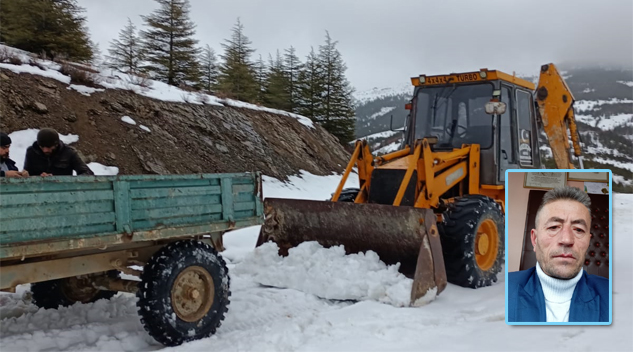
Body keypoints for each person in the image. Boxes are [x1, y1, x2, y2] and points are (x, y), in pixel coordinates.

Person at [507, 186, 609, 323]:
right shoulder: (502, 291)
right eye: (553, 227)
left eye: (578, 229)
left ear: (588, 242)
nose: (566, 240)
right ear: (534, 239)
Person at [23, 128, 94, 176]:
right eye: (42, 147)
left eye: (49, 147)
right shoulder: (31, 152)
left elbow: (87, 174)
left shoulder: (69, 153)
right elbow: (27, 173)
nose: (45, 150)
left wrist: (59, 179)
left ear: (56, 144)